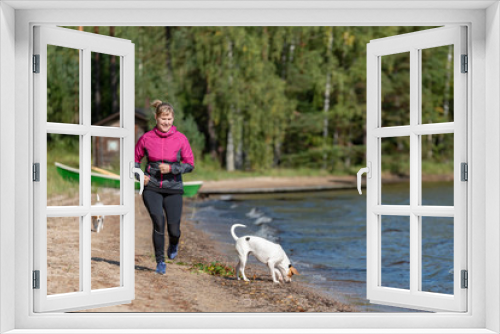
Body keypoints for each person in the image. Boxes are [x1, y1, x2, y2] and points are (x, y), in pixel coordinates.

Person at [134, 100, 194, 275]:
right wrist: (140, 176)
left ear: (173, 118)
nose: (166, 122)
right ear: (156, 118)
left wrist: (172, 168)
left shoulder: (181, 139)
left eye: (169, 119)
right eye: (163, 119)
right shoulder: (146, 138)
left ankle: (174, 242)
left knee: (174, 230)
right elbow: (134, 161)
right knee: (158, 222)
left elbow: (190, 164)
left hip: (173, 187)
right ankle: (160, 261)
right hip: (151, 186)